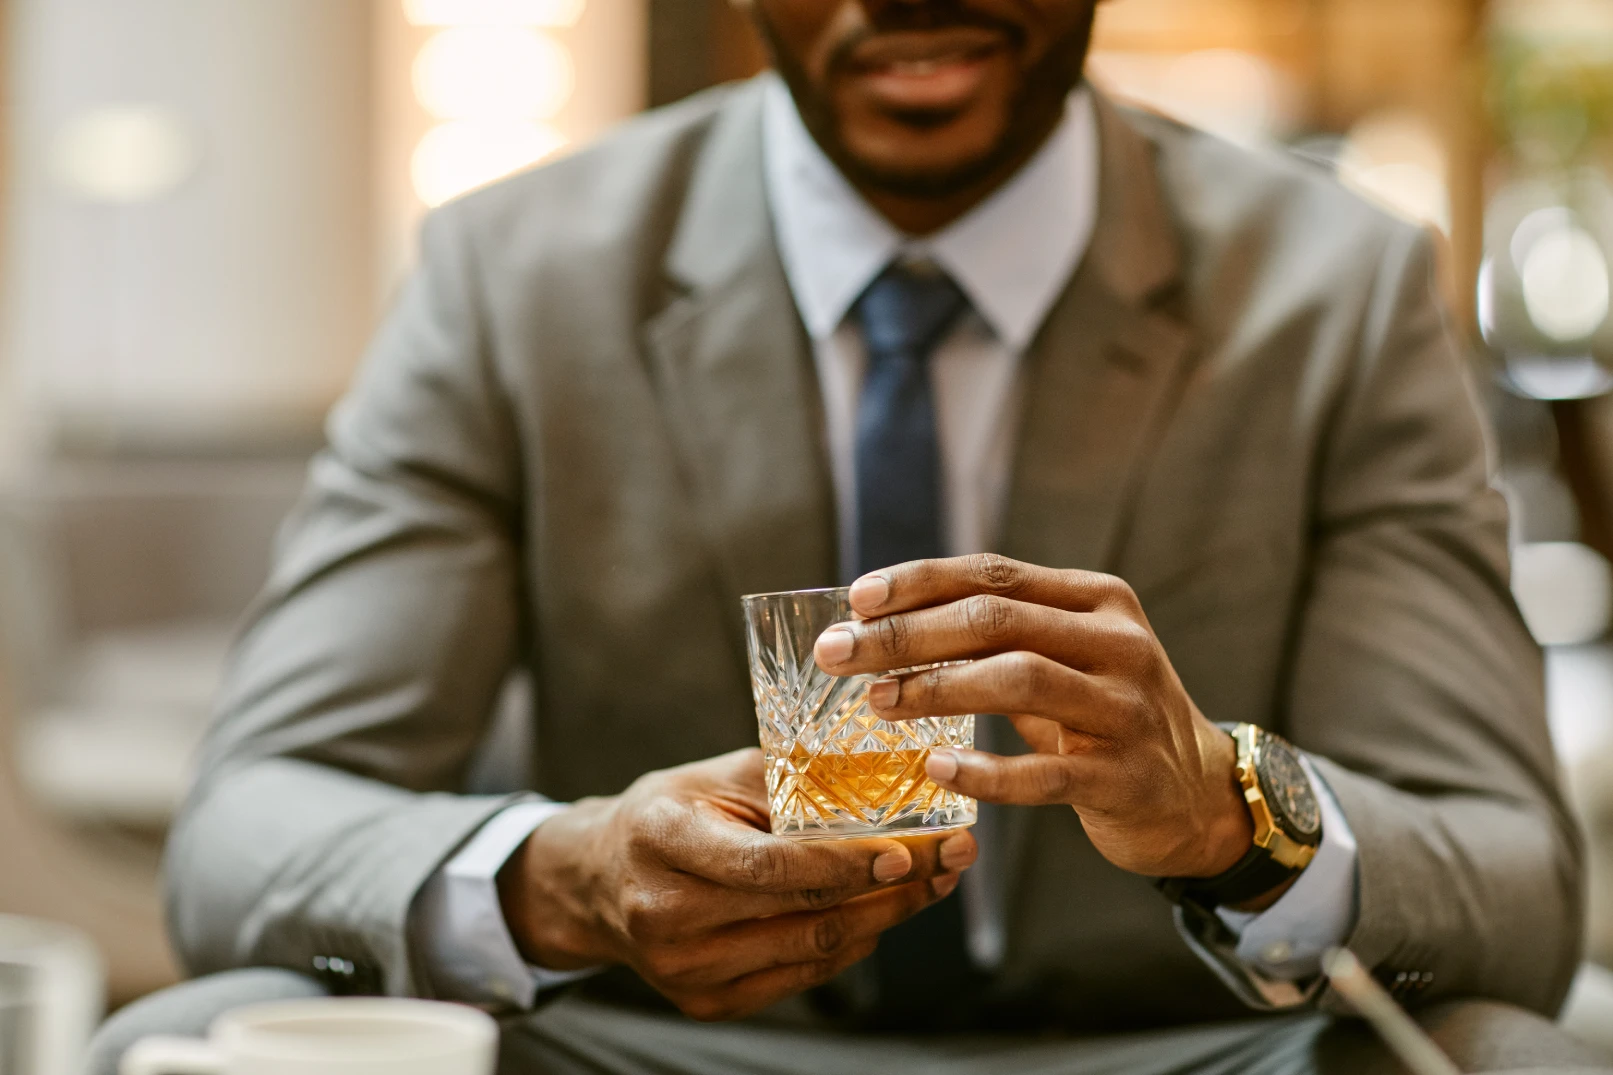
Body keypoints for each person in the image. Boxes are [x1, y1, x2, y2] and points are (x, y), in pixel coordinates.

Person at [88, 1, 1609, 1073]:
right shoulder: (514, 274)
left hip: (1179, 1043)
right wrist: (561, 879)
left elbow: (1522, 884)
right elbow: (248, 824)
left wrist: (1230, 808)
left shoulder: (1337, 290)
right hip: (652, 1048)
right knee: (180, 1039)